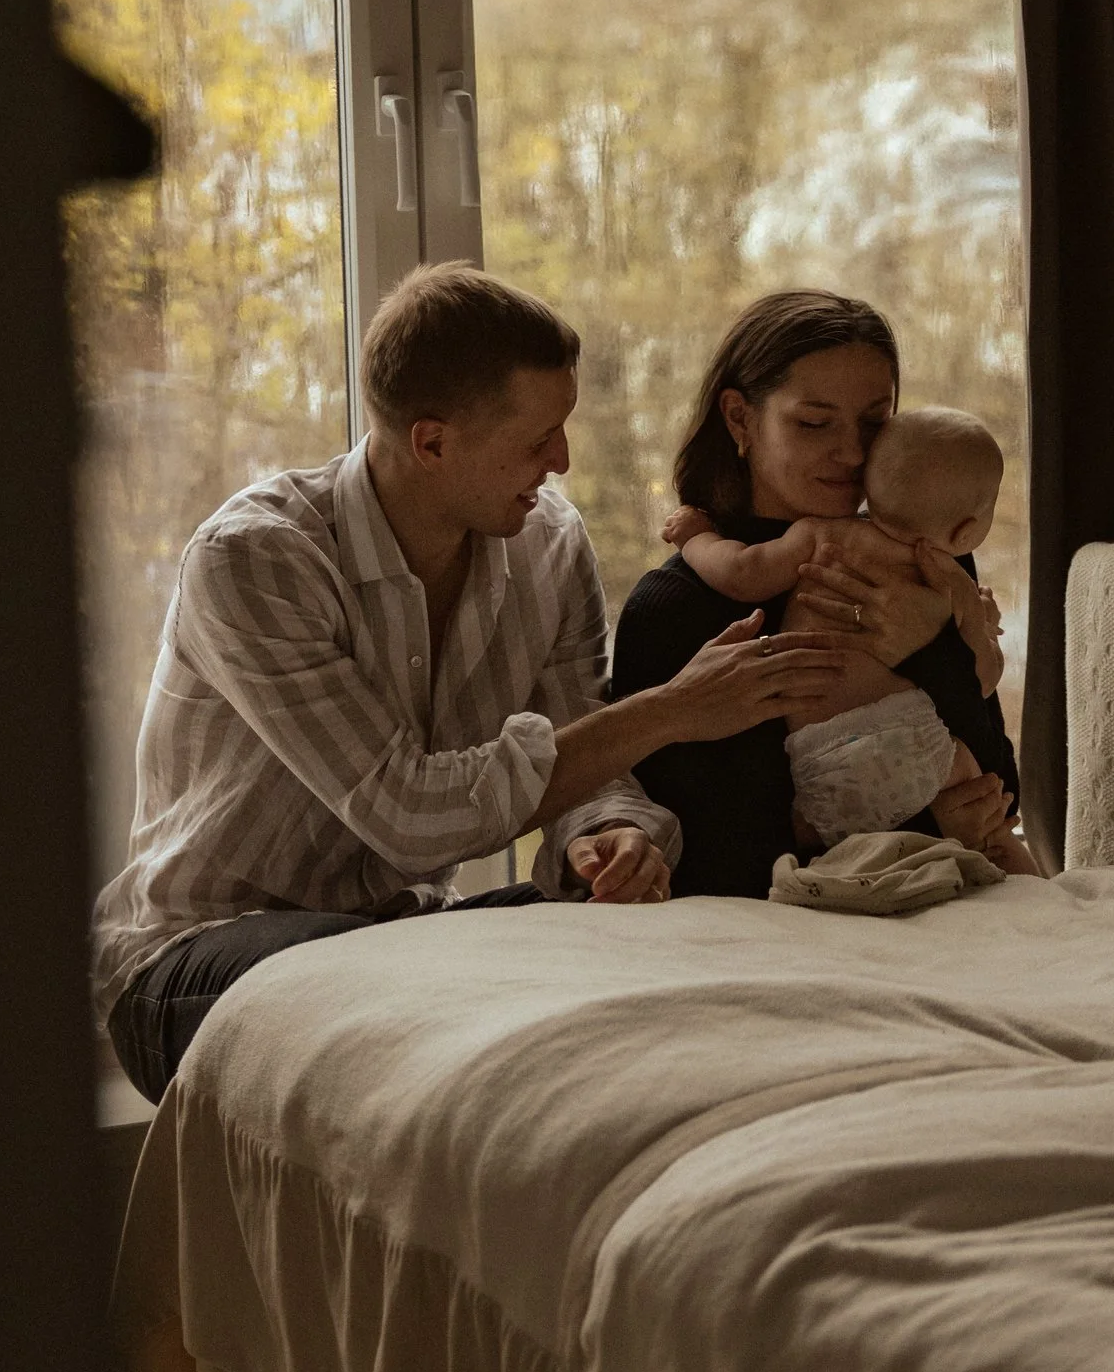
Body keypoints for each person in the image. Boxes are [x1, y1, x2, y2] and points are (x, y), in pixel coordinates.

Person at [96, 263, 845, 1099]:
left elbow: (586, 764)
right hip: (198, 957)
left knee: (681, 949)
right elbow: (407, 817)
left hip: (406, 941)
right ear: (432, 442)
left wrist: (606, 839)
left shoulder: (550, 543)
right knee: (383, 981)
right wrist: (672, 711)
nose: (561, 459)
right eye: (537, 440)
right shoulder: (257, 559)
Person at [609, 290, 1022, 897]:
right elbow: (703, 863)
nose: (853, 453)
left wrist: (932, 650)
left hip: (950, 913)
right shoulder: (676, 607)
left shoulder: (930, 560)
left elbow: (1002, 790)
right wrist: (930, 826)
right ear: (739, 419)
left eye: (874, 422)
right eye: (814, 423)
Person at [665, 404, 1041, 873]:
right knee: (994, 828)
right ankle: (1046, 900)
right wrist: (977, 632)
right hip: (914, 750)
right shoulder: (946, 575)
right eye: (815, 422)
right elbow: (981, 681)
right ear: (966, 529)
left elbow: (741, 573)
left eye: (869, 424)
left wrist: (694, 537)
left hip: (817, 766)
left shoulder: (823, 538)